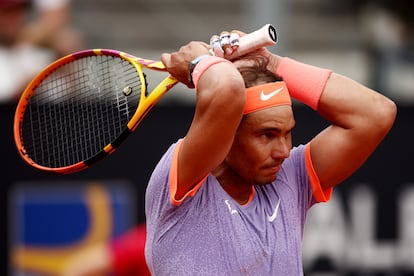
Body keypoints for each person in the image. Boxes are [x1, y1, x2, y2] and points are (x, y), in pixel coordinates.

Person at [144, 27, 397, 275]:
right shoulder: (183, 183)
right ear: (226, 134)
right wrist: (199, 63)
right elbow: (226, 88)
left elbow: (376, 113)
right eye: (267, 135)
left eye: (288, 133)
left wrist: (268, 61)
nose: (284, 151)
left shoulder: (290, 180)